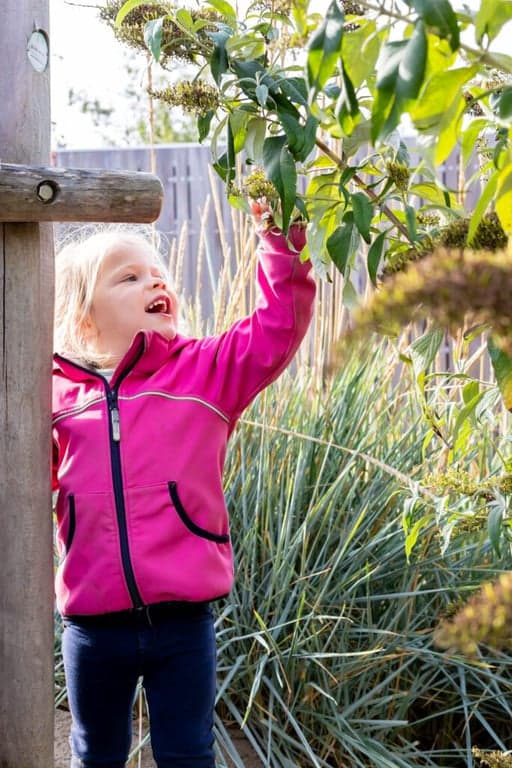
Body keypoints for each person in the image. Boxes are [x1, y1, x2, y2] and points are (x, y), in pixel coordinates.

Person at [52, 206, 316, 768]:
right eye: (128, 277)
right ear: (83, 320)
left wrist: (280, 238)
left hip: (182, 623)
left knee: (188, 753)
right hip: (92, 629)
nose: (155, 280)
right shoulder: (54, 400)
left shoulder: (205, 372)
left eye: (158, 273)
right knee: (93, 753)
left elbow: (280, 325)